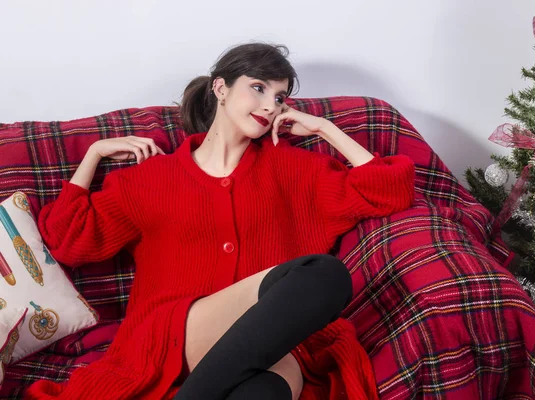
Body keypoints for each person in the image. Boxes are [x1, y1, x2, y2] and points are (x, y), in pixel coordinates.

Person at [25, 42, 415, 400]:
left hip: (274, 343)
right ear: (221, 88)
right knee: (322, 273)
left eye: (280, 97)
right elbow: (67, 239)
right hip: (176, 336)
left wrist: (325, 129)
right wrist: (93, 154)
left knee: (266, 389)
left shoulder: (295, 170)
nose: (270, 105)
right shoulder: (150, 179)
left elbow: (388, 190)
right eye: (259, 88)